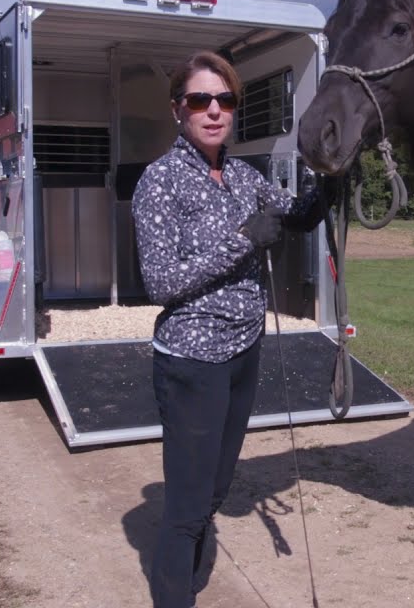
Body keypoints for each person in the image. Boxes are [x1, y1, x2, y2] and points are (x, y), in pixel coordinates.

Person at [132, 50, 334, 608]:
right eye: (201, 100)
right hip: (193, 360)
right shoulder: (161, 182)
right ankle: (177, 593)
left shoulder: (245, 176)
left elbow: (293, 215)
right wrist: (244, 239)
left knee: (218, 487)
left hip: (244, 351)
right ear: (179, 109)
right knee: (188, 506)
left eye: (225, 100)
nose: (214, 110)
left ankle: (189, 579)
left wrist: (331, 184)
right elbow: (161, 283)